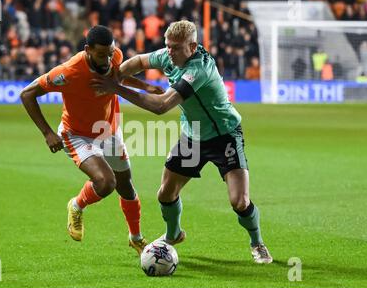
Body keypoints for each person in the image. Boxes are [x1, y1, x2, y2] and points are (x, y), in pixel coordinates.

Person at [91, 20, 273, 264]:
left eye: (176, 48)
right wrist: (117, 75)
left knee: (239, 201)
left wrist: (116, 88)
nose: (170, 52)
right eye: (168, 46)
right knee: (166, 193)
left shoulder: (198, 69)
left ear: (193, 46)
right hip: (194, 134)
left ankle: (257, 242)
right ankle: (173, 234)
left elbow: (162, 105)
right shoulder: (169, 55)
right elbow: (139, 62)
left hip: (225, 135)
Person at [20, 25, 162, 255]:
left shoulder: (113, 55)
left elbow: (119, 76)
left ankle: (135, 238)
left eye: (109, 52)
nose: (107, 59)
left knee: (126, 187)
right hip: (76, 134)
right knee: (106, 182)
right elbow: (27, 94)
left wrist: (146, 86)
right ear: (87, 50)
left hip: (107, 131)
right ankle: (76, 205)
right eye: (100, 54)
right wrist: (47, 133)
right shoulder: (68, 72)